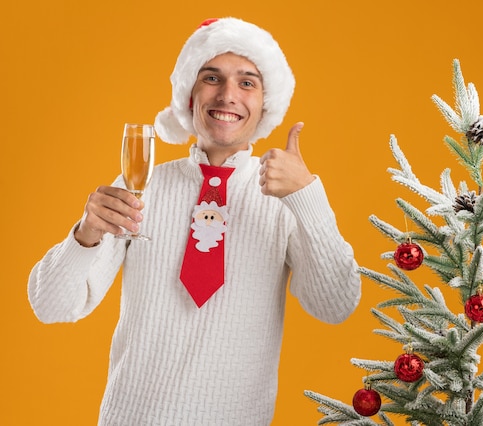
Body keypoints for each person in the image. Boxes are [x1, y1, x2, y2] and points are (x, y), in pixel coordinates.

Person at [28, 17, 361, 425]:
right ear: (189, 94)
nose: (227, 95)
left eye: (247, 82)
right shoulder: (140, 185)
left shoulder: (286, 198)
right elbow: (50, 306)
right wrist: (86, 234)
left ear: (265, 102)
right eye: (211, 77)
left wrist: (306, 195)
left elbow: (335, 305)